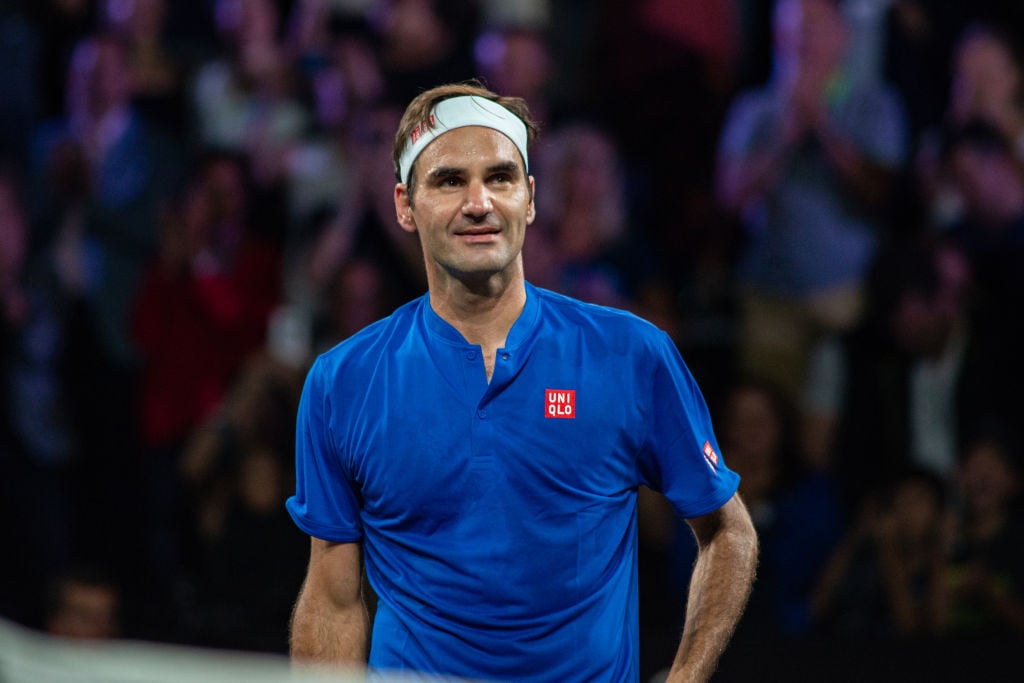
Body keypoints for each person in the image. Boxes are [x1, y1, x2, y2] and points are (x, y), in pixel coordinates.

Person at [286, 81, 758, 683]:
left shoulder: (630, 354)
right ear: (405, 205)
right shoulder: (342, 381)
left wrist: (688, 676)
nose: (479, 202)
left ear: (530, 198)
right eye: (449, 181)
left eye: (501, 177)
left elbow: (727, 529)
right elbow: (332, 596)